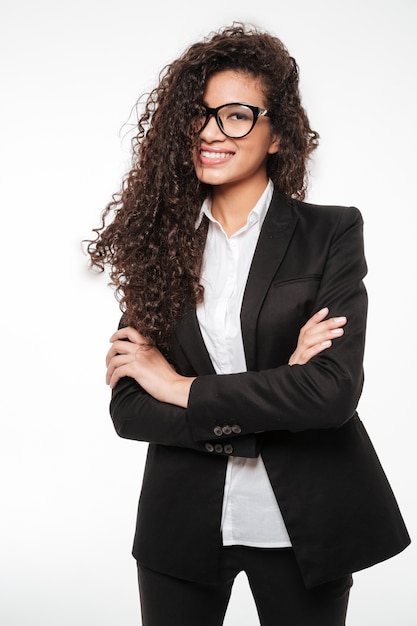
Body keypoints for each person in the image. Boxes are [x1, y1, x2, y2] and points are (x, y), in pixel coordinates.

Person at [87, 22, 410, 626]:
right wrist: (278, 388)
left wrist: (179, 387)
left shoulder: (330, 233)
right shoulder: (161, 243)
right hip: (180, 523)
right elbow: (130, 406)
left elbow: (331, 392)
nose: (212, 132)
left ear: (279, 132)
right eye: (200, 115)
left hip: (303, 524)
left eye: (236, 115)